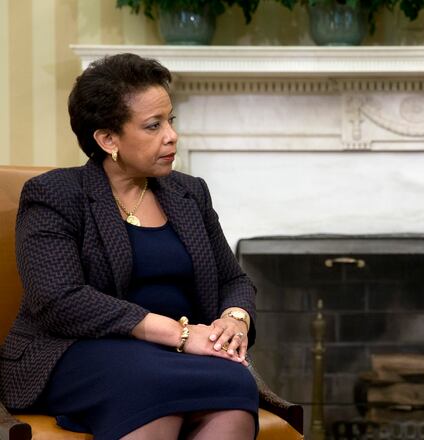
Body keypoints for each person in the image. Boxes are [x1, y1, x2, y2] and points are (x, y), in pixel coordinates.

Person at [0, 53, 260, 439]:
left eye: (170, 121)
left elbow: (232, 279)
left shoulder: (190, 193)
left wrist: (234, 321)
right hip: (77, 351)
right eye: (153, 126)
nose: (171, 136)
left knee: (235, 383)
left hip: (174, 359)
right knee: (153, 386)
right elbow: (59, 299)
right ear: (107, 139)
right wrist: (181, 334)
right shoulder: (55, 194)